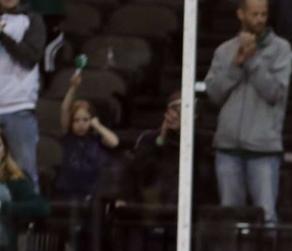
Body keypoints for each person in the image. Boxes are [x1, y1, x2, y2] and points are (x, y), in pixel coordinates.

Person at [202, 0, 292, 225]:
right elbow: (213, 93)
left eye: (264, 14)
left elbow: (275, 93)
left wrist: (252, 61)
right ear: (240, 15)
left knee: (267, 217)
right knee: (230, 218)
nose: (260, 19)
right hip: (227, 148)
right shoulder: (224, 51)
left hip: (263, 149)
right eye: (254, 14)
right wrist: (236, 64)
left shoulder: (281, 49)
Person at [0, 0, 45, 191]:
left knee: (24, 173)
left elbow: (30, 58)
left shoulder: (32, 20)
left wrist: (3, 36)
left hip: (17, 106)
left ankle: (29, 220)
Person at [55, 69, 119, 200]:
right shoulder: (68, 136)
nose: (81, 124)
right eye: (76, 120)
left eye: (85, 120)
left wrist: (97, 125)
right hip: (70, 187)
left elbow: (114, 142)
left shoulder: (96, 137)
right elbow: (64, 109)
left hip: (92, 188)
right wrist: (73, 88)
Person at [125, 91, 181, 205]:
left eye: (183, 109)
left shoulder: (200, 139)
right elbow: (140, 171)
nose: (177, 114)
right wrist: (162, 137)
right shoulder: (149, 138)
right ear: (166, 112)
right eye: (175, 109)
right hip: (155, 203)